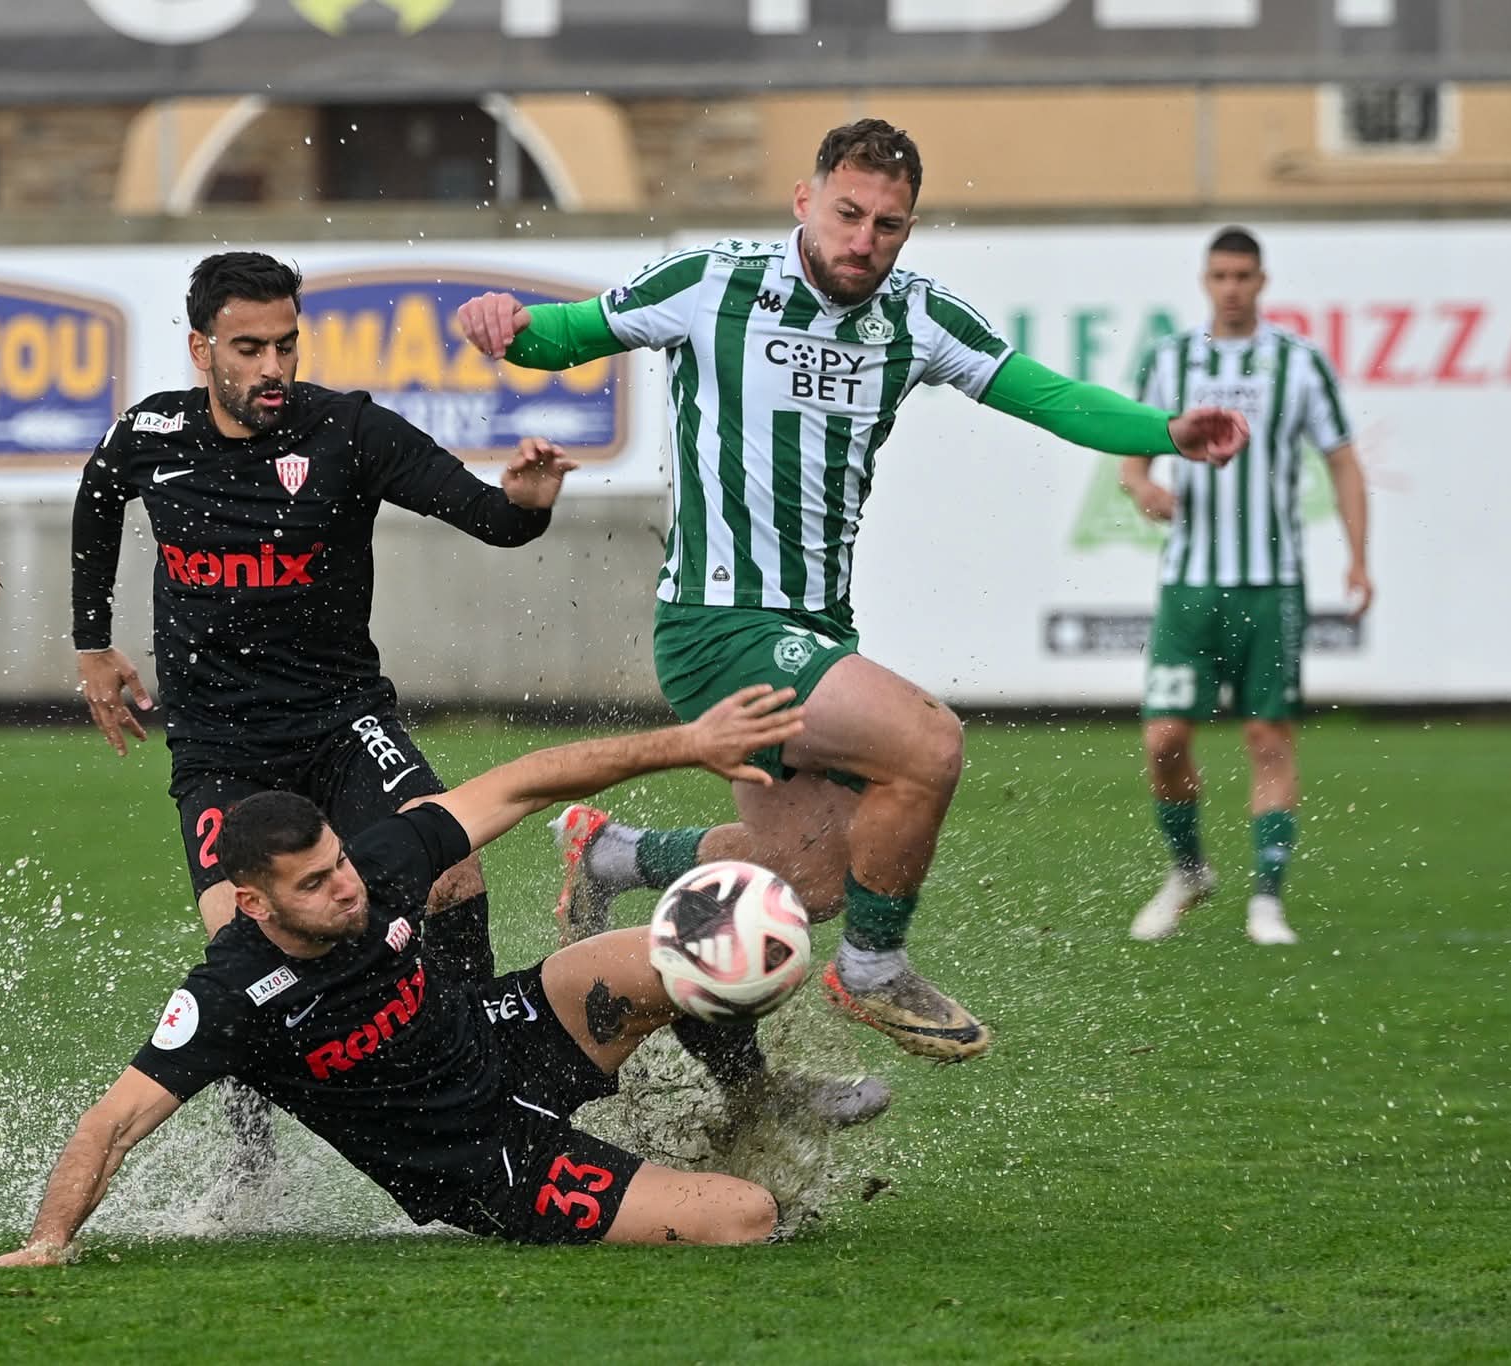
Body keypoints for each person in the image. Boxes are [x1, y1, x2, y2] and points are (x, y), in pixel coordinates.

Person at [454, 118, 1248, 1068]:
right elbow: (566, 335)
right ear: (805, 200)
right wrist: (507, 325)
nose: (865, 239)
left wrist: (1164, 432)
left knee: (811, 880)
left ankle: (615, 855)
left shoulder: (918, 317)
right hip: (719, 625)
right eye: (848, 214)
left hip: (815, 626)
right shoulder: (715, 283)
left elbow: (1045, 395)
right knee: (928, 743)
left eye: (888, 224)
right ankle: (873, 970)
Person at [0, 685, 878, 1262]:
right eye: (314, 884)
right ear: (254, 904)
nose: (346, 887)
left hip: (506, 1031)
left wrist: (688, 741)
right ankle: (652, 1175)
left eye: (338, 862)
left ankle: (749, 1100)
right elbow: (111, 1125)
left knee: (702, 946)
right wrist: (48, 1241)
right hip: (482, 1162)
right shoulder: (230, 997)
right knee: (747, 1217)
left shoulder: (375, 868)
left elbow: (526, 783)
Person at [70, 251, 571, 1174]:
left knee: (453, 873)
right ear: (202, 350)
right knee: (244, 937)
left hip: (343, 721)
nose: (273, 367)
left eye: (286, 345)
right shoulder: (151, 434)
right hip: (222, 746)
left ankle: (484, 1071)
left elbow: (489, 517)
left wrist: (527, 506)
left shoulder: (348, 430)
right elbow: (98, 500)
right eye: (249, 348)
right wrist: (91, 643)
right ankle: (251, 1161)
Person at [1120, 227, 1371, 947]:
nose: (1231, 287)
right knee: (1164, 739)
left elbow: (1342, 460)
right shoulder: (1172, 359)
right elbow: (1132, 455)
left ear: (1261, 282)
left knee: (1268, 736)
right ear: (1206, 281)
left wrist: (1358, 558)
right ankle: (1189, 871)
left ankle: (1267, 898)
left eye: (1243, 276)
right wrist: (1143, 488)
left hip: (1271, 583)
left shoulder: (1298, 363)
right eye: (1220, 275)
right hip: (1190, 585)